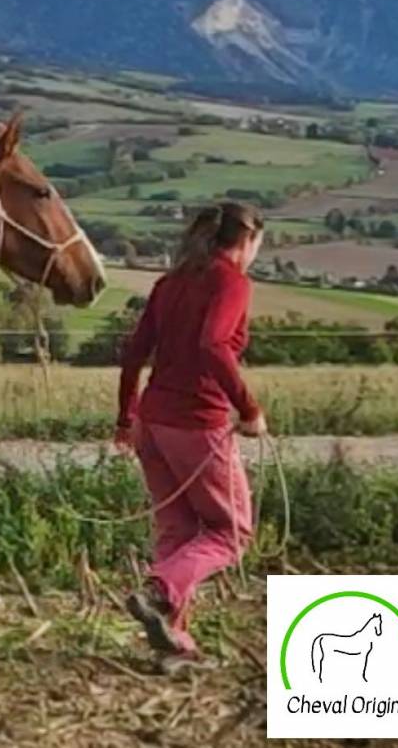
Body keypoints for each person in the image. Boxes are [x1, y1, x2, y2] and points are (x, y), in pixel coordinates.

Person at [115, 202, 267, 667]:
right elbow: (213, 344)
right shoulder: (231, 282)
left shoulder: (170, 282)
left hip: (152, 423)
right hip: (197, 424)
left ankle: (175, 642)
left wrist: (125, 418)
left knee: (178, 531)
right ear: (247, 242)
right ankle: (159, 591)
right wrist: (250, 409)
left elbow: (135, 350)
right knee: (231, 533)